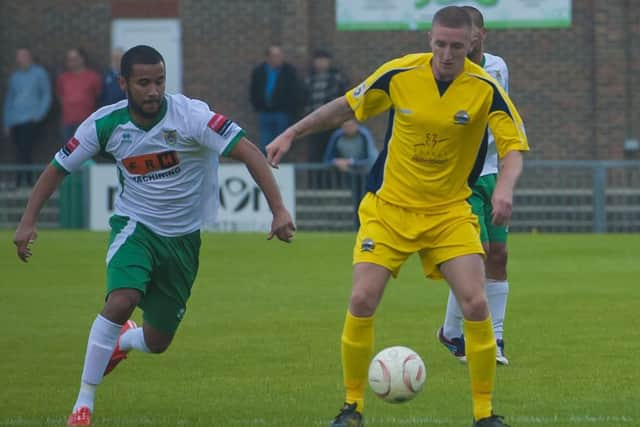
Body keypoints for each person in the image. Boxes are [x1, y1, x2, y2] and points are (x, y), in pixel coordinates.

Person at [267, 6, 528, 427]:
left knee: (476, 302)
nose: (447, 54)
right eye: (440, 44)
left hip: (448, 212)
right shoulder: (400, 74)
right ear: (429, 39)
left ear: (472, 44)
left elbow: (513, 147)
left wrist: (505, 187)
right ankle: (352, 408)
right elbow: (346, 106)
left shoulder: (485, 86)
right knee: (361, 298)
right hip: (389, 210)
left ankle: (484, 414)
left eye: (456, 46)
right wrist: (292, 132)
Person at [13, 45, 296, 427]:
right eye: (143, 82)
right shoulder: (104, 124)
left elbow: (248, 152)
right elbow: (57, 168)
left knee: (157, 342)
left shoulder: (191, 116)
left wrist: (278, 209)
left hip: (183, 240)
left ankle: (126, 340)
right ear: (124, 84)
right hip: (136, 227)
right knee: (121, 300)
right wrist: (28, 220)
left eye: (159, 81)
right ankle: (83, 403)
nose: (153, 90)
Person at [438, 5, 514, 366]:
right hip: (462, 179)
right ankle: (466, 334)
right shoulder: (447, 72)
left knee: (498, 256)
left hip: (492, 173)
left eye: (472, 36)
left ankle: (492, 340)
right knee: (478, 256)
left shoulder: (498, 67)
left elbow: (502, 117)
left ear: (480, 35)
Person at [2, 47, 52, 187]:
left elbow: (46, 95)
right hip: (15, 120)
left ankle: (26, 182)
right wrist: (7, 122)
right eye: (19, 57)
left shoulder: (39, 74)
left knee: (25, 149)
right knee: (19, 150)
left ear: (30, 57)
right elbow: (10, 100)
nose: (21, 59)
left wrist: (39, 115)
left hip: (30, 119)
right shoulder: (15, 77)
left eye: (23, 56)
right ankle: (22, 181)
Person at [323, 119, 378, 227]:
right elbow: (327, 159)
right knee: (357, 201)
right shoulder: (337, 136)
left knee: (369, 201)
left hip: (368, 173)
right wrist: (337, 162)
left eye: (350, 125)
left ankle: (371, 225)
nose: (347, 128)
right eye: (344, 126)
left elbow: (370, 160)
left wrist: (351, 162)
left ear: (357, 125)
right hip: (353, 175)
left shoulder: (364, 135)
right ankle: (359, 227)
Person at [249, 45, 302, 154]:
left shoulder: (289, 71)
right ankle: (266, 163)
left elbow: (295, 91)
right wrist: (258, 105)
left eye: (279, 56)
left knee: (281, 140)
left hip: (282, 113)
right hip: (265, 112)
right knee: (265, 141)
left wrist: (289, 108)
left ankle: (279, 162)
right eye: (274, 56)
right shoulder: (259, 71)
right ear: (268, 57)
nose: (278, 58)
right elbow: (253, 89)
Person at [305, 50, 348, 162]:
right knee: (315, 152)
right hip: (314, 122)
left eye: (324, 60)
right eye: (318, 60)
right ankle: (317, 179)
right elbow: (304, 99)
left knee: (332, 151)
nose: (321, 63)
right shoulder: (309, 79)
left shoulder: (336, 78)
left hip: (332, 122)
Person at [56, 47, 102, 143]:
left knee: (85, 151)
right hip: (67, 122)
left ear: (82, 59)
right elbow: (60, 96)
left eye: (74, 58)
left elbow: (99, 97)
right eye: (69, 59)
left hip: (86, 121)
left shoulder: (93, 77)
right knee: (68, 153)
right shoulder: (63, 78)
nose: (71, 62)